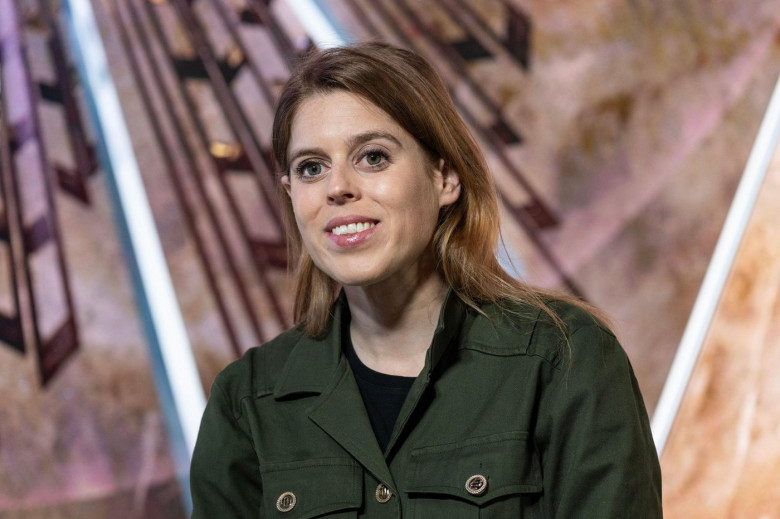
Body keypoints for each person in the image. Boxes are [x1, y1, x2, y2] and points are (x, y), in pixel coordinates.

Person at [190, 42, 662, 518]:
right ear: (291, 195)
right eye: (312, 168)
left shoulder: (565, 359)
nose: (337, 188)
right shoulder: (245, 404)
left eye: (373, 157)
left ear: (445, 176)